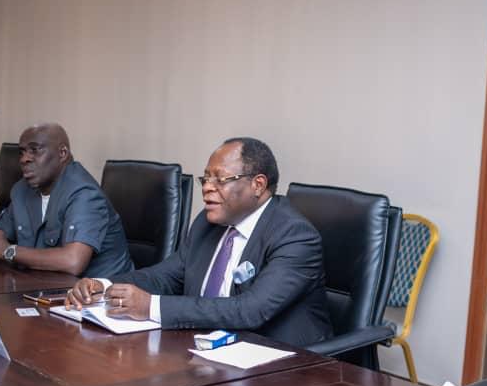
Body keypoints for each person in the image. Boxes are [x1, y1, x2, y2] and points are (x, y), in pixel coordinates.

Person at [65, 137, 333, 347]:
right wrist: (105, 285)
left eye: (220, 179)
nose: (207, 187)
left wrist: (150, 307)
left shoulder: (295, 235)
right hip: (208, 349)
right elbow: (166, 276)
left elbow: (251, 310)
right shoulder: (208, 223)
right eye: (206, 178)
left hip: (282, 362)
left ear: (258, 185)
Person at [0, 123, 133, 278]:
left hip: (102, 292)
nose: (24, 159)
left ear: (62, 153)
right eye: (22, 152)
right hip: (44, 285)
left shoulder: (84, 194)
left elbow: (73, 261)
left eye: (35, 150)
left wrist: (7, 251)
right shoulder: (22, 190)